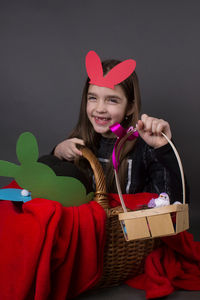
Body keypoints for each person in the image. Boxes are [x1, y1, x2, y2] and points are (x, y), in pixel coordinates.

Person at [52, 51, 188, 203]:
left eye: (112, 100)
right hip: (89, 225)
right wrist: (57, 154)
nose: (100, 108)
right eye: (93, 98)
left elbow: (174, 202)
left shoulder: (145, 147)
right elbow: (46, 187)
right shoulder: (79, 141)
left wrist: (163, 149)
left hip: (131, 226)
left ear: (130, 107)